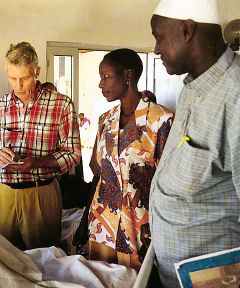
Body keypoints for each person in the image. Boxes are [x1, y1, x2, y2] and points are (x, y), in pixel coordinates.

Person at [149, 0, 240, 286]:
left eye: (159, 36)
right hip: (175, 273)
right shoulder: (192, 88)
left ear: (187, 30)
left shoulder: (235, 96)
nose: (156, 49)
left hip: (212, 278)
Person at [72, 48, 174, 271]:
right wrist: (83, 223)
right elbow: (98, 177)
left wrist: (159, 232)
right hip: (102, 225)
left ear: (128, 75)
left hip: (140, 229)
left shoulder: (161, 121)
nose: (101, 84)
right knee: (102, 281)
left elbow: (168, 184)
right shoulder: (105, 121)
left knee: (137, 282)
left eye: (106, 76)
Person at [0, 42, 81, 250]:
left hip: (41, 194)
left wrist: (37, 163)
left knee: (44, 260)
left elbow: (73, 153)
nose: (18, 85)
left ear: (37, 72)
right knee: (6, 258)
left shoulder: (61, 105)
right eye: (12, 78)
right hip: (3, 193)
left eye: (24, 78)